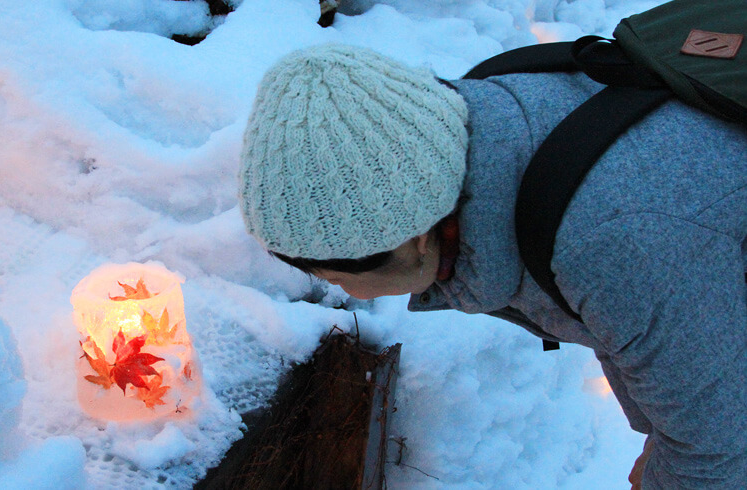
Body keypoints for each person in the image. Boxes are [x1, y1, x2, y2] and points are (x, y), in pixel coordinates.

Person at [236, 43, 747, 488]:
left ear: (416, 236)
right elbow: (629, 328)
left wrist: (683, 446)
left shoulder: (608, 245)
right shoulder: (463, 149)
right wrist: (661, 433)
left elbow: (721, 453)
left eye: (335, 274)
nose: (345, 291)